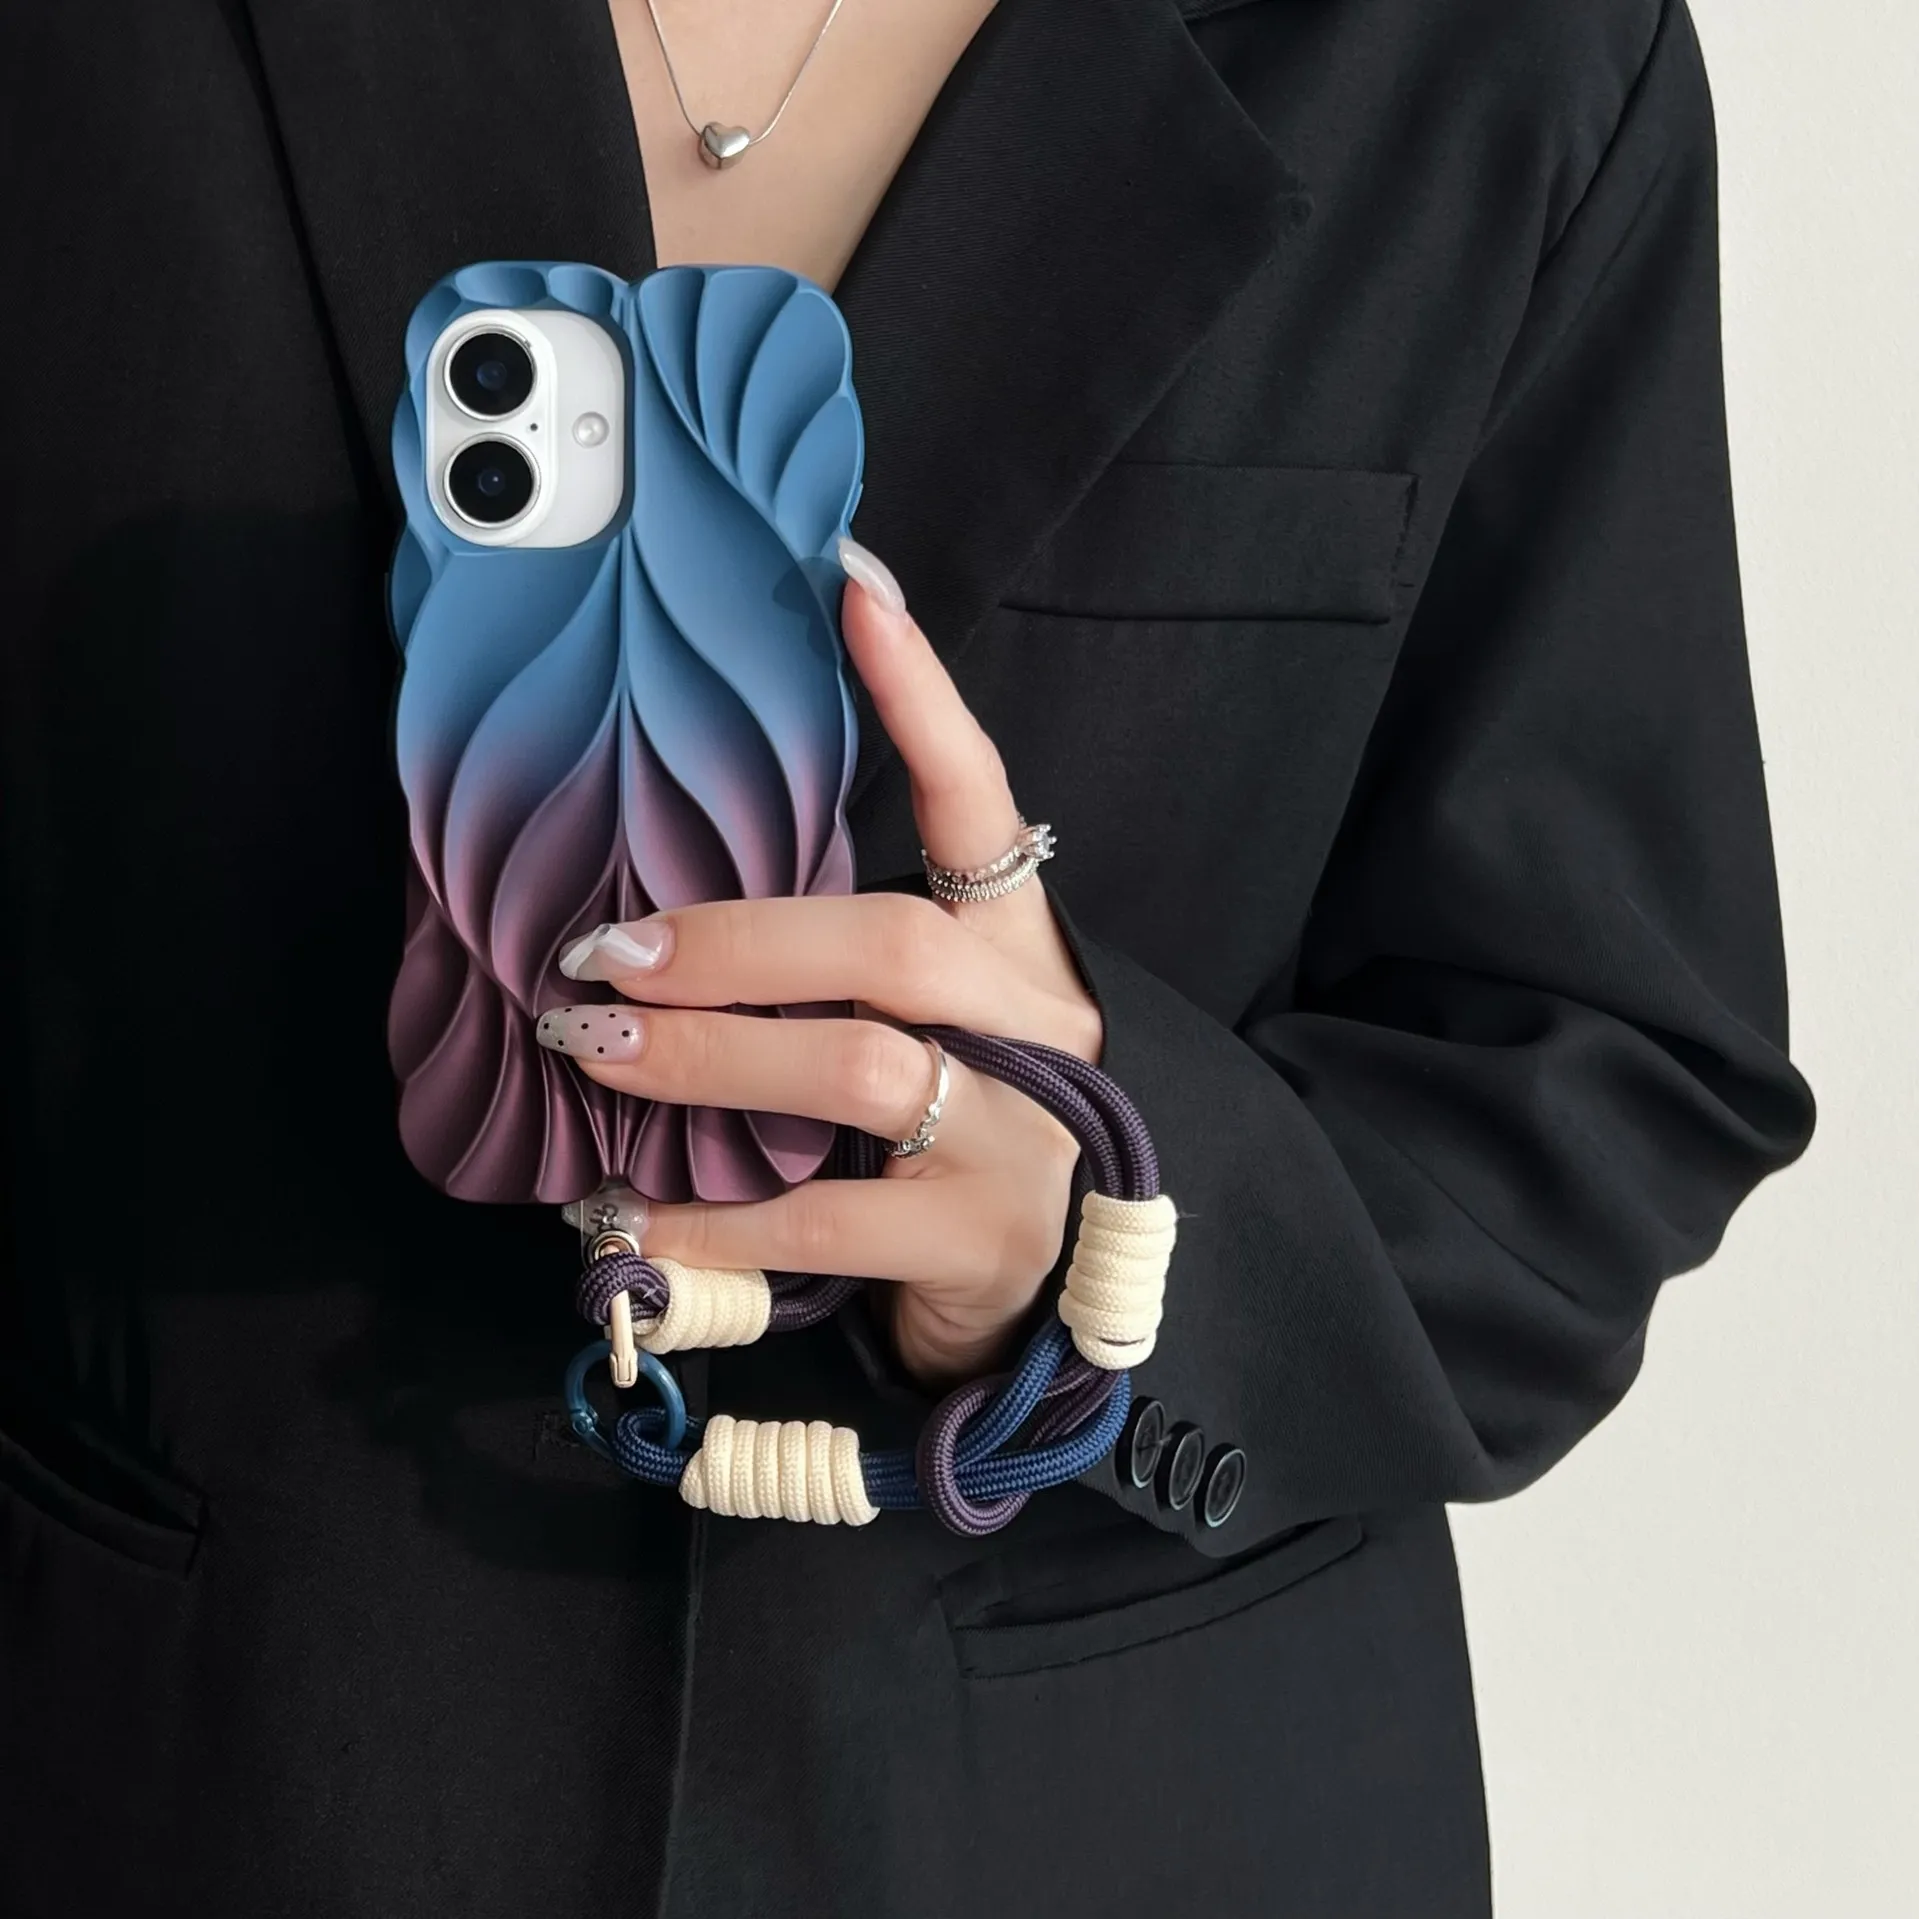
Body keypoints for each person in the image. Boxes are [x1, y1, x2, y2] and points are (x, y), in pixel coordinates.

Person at [0, 0, 1813, 1914]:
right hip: (197, 1769)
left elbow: (1606, 1083)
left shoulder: (1484, 51)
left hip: (1104, 1806)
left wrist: (1109, 1236)